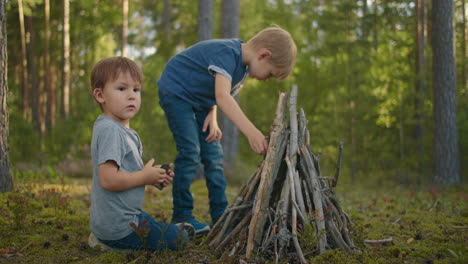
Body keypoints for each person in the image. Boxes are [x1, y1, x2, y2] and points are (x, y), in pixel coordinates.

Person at [157, 27, 297, 235]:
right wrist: (252, 132)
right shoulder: (228, 53)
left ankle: (221, 215)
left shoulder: (242, 68)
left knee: (214, 156)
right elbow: (223, 96)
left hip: (201, 102)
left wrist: (212, 114)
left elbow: (216, 92)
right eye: (270, 74)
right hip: (177, 92)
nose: (266, 79)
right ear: (264, 55)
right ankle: (182, 216)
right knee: (190, 151)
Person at [88, 56, 188, 252]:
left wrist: (151, 176)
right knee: (180, 238)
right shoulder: (111, 131)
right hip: (120, 228)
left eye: (136, 89)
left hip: (126, 217)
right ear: (100, 95)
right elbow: (108, 180)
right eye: (122, 88)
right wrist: (143, 176)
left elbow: (124, 172)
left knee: (159, 225)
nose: (132, 95)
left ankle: (105, 237)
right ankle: (108, 243)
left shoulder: (119, 130)